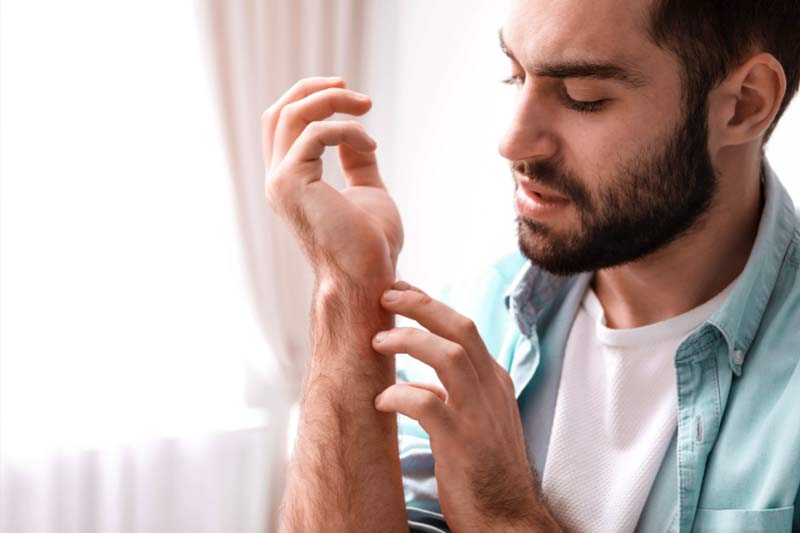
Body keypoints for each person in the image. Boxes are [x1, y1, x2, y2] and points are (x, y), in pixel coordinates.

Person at [261, 0, 800, 531]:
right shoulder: (469, 322)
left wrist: (504, 515)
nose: (512, 142)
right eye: (515, 76)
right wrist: (349, 287)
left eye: (582, 96)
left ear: (744, 104)